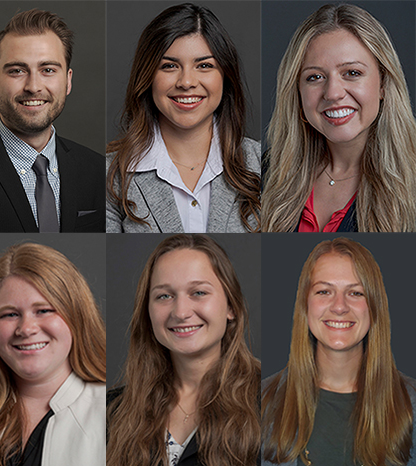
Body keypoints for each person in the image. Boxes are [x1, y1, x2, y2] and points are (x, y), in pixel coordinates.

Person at [106, 3, 261, 233]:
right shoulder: (110, 175)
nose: (186, 82)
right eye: (169, 66)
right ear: (148, 77)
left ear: (225, 76)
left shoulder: (263, 164)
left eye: (204, 65)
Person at [107, 234, 261, 465]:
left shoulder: (271, 398)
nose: (180, 312)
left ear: (231, 306)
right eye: (164, 296)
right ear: (147, 312)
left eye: (198, 292)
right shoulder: (113, 410)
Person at [260, 4, 416, 232]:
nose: (333, 93)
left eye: (352, 73)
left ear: (383, 83)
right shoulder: (267, 171)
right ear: (297, 90)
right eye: (314, 77)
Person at [261, 238, 416, 465]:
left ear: (374, 306)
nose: (340, 306)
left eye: (356, 293)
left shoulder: (412, 405)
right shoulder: (261, 401)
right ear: (305, 305)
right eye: (324, 291)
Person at [0, 243, 106, 466]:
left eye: (43, 310)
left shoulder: (112, 412)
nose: (26, 328)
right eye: (10, 314)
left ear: (76, 315)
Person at [0, 9, 105, 232]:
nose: (33, 86)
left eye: (48, 70)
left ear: (68, 81)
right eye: (17, 71)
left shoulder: (99, 171)